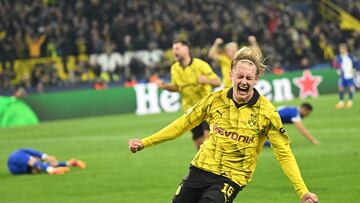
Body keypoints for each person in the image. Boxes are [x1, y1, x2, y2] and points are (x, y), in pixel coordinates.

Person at [129, 46, 318, 203]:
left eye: (248, 78)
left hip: (232, 176)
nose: (243, 82)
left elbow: (284, 154)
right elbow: (182, 124)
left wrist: (302, 191)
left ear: (256, 80)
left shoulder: (267, 113)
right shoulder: (214, 100)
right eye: (240, 76)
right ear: (231, 75)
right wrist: (145, 142)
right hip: (201, 167)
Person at [157, 39, 221, 149]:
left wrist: (206, 80)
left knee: (208, 144)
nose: (174, 52)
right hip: (190, 111)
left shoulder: (200, 65)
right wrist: (165, 86)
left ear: (186, 49)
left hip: (206, 109)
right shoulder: (174, 68)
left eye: (177, 48)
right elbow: (177, 87)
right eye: (173, 49)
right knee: (200, 147)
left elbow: (218, 82)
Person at [7, 148, 86, 175]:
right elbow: (34, 154)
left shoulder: (32, 161)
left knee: (40, 166)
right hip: (15, 160)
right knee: (38, 165)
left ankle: (70, 163)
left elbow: (40, 163)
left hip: (17, 170)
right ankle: (52, 171)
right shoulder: (19, 155)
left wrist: (66, 164)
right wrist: (47, 157)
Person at [333, 43, 358, 109]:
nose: (341, 50)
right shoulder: (338, 57)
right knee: (341, 88)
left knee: (350, 88)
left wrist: (355, 69)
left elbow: (357, 63)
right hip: (342, 75)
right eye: (340, 49)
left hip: (350, 75)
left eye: (342, 49)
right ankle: (341, 102)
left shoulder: (351, 56)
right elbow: (335, 65)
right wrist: (337, 69)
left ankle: (350, 101)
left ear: (345, 49)